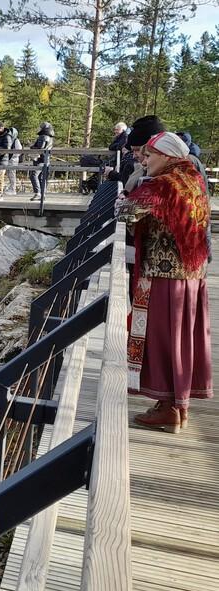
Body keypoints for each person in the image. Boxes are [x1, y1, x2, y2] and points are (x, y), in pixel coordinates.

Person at [117, 131, 212, 433]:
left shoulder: (162, 184)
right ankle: (177, 408)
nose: (144, 161)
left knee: (163, 342)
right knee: (184, 341)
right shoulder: (192, 179)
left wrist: (124, 198)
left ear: (168, 156)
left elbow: (126, 212)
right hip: (192, 276)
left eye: (149, 155)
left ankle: (169, 407)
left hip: (164, 276)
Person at [28, 122, 54, 201]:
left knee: (33, 175)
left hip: (40, 159)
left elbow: (40, 148)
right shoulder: (50, 137)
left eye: (40, 127)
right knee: (42, 178)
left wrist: (32, 147)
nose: (39, 128)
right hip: (46, 159)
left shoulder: (43, 137)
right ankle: (43, 195)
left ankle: (38, 193)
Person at [6, 126, 22, 195]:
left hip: (13, 160)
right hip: (8, 160)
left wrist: (13, 156)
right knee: (9, 174)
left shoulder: (16, 140)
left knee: (12, 174)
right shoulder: (9, 140)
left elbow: (19, 150)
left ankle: (13, 189)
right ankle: (10, 188)